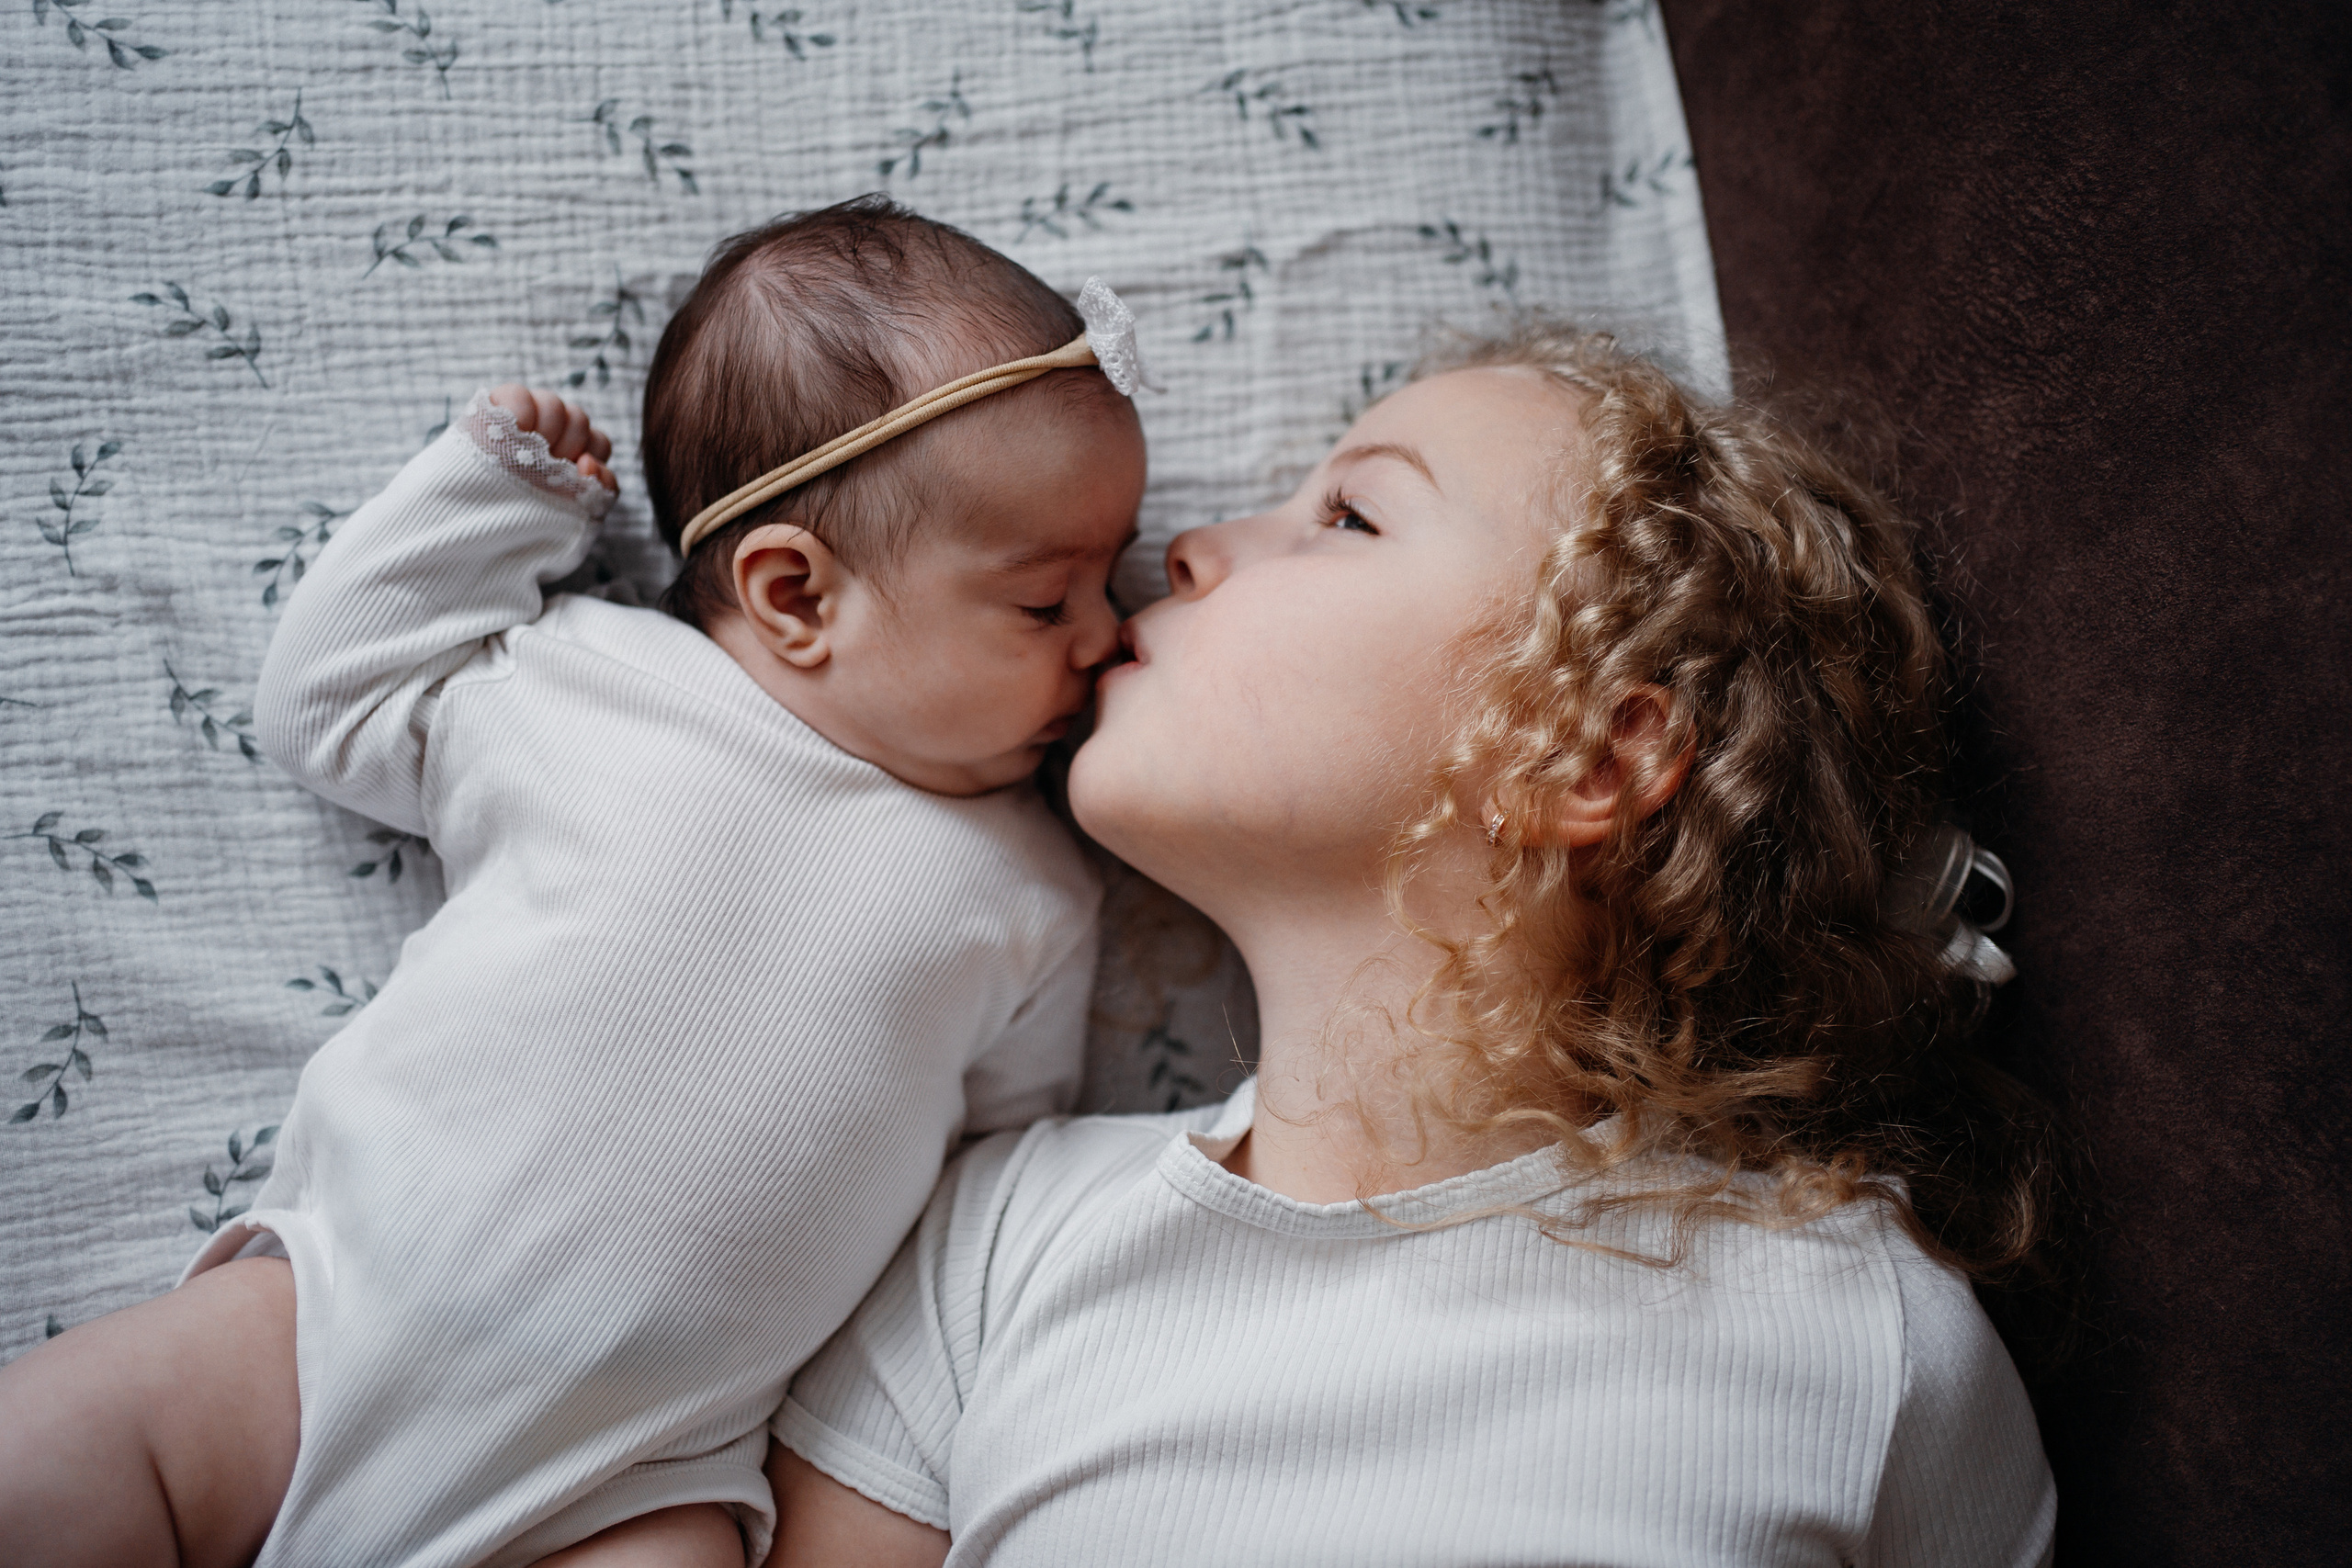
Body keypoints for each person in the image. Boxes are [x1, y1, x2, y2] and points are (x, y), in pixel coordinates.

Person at [761, 325, 2061, 1566]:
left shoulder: (1862, 1337)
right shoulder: (992, 1251)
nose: (1190, 550)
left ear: (1585, 755)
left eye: (1346, 516)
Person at [0, 199, 1150, 1568]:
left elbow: (985, 1196)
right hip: (318, 1336)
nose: (1106, 633)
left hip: (634, 1478)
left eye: (1108, 582)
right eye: (1046, 599)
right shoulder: (590, 686)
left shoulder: (1034, 889)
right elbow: (331, 702)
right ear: (794, 595)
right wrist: (490, 498)